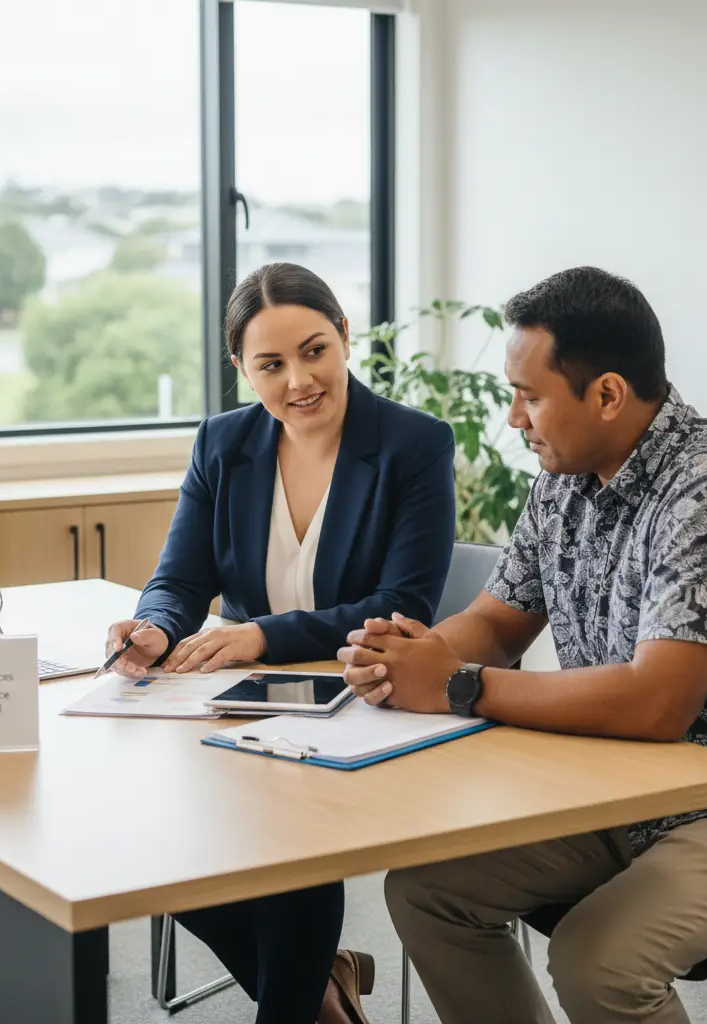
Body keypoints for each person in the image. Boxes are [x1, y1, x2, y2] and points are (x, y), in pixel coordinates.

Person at [339, 266, 707, 1024]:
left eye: (530, 396)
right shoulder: (564, 473)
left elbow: (659, 703)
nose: (516, 418)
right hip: (626, 794)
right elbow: (496, 622)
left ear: (609, 394)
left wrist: (458, 685)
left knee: (597, 959)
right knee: (428, 890)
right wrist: (412, 654)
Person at [103, 263, 456, 1024]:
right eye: (270, 363)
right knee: (145, 838)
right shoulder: (223, 443)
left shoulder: (413, 445)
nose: (299, 379)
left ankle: (301, 1003)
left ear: (345, 339)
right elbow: (179, 578)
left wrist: (257, 634)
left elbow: (403, 607)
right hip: (246, 708)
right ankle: (320, 988)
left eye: (315, 350)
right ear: (241, 369)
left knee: (292, 834)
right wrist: (157, 624)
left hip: (364, 705)